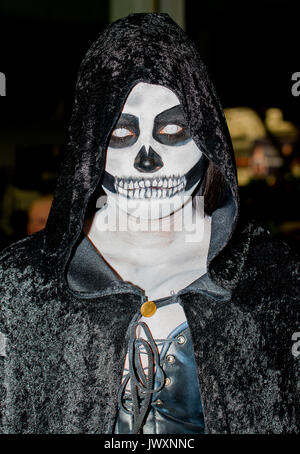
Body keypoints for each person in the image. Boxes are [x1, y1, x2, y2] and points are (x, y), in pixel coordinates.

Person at [0, 13, 299, 434]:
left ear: (207, 135)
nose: (146, 160)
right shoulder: (19, 286)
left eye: (172, 128)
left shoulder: (275, 279)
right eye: (120, 134)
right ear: (89, 145)